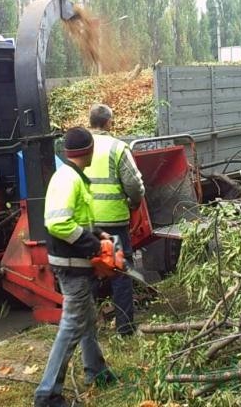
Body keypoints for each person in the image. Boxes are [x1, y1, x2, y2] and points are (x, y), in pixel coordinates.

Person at [34, 127, 117, 407]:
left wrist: (99, 234)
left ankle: (97, 371)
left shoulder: (73, 177)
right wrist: (92, 246)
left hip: (75, 262)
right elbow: (57, 223)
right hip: (70, 265)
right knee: (72, 325)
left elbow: (77, 218)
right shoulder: (68, 179)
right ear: (89, 150)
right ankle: (47, 394)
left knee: (87, 319)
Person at [85, 103, 145, 336]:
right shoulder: (117, 147)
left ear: (91, 122)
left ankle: (88, 330)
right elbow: (133, 184)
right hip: (114, 220)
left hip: (88, 221)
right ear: (109, 122)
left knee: (89, 272)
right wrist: (135, 202)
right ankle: (125, 329)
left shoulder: (81, 145)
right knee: (120, 272)